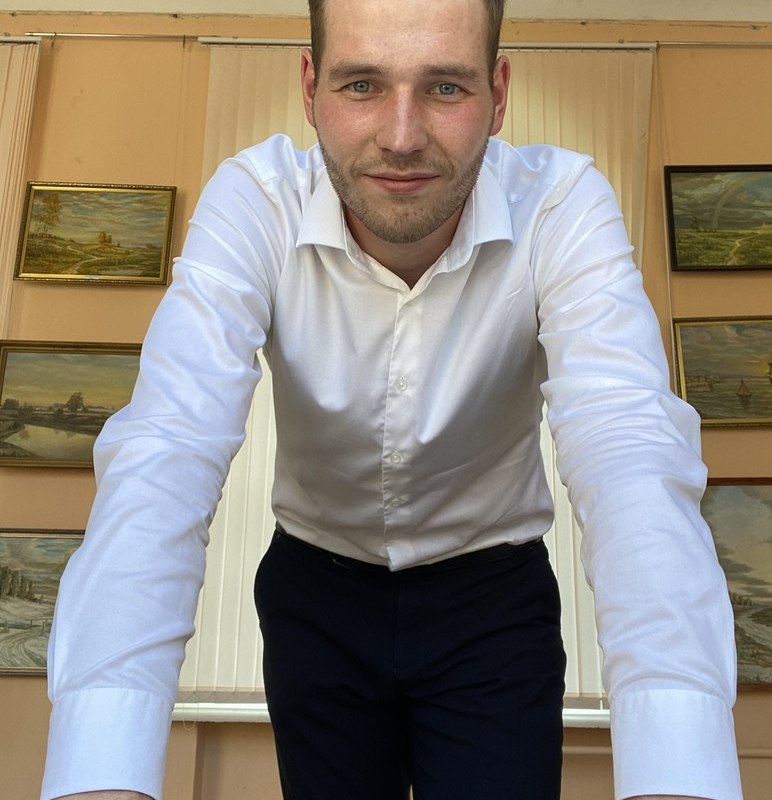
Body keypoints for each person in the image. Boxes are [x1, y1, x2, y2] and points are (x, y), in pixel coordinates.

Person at [42, 1, 742, 799]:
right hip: (315, 594)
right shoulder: (255, 201)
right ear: (310, 88)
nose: (402, 136)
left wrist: (679, 771)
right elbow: (169, 447)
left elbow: (628, 446)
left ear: (497, 93)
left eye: (444, 87)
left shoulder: (562, 205)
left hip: (495, 602)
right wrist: (100, 772)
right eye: (362, 84)